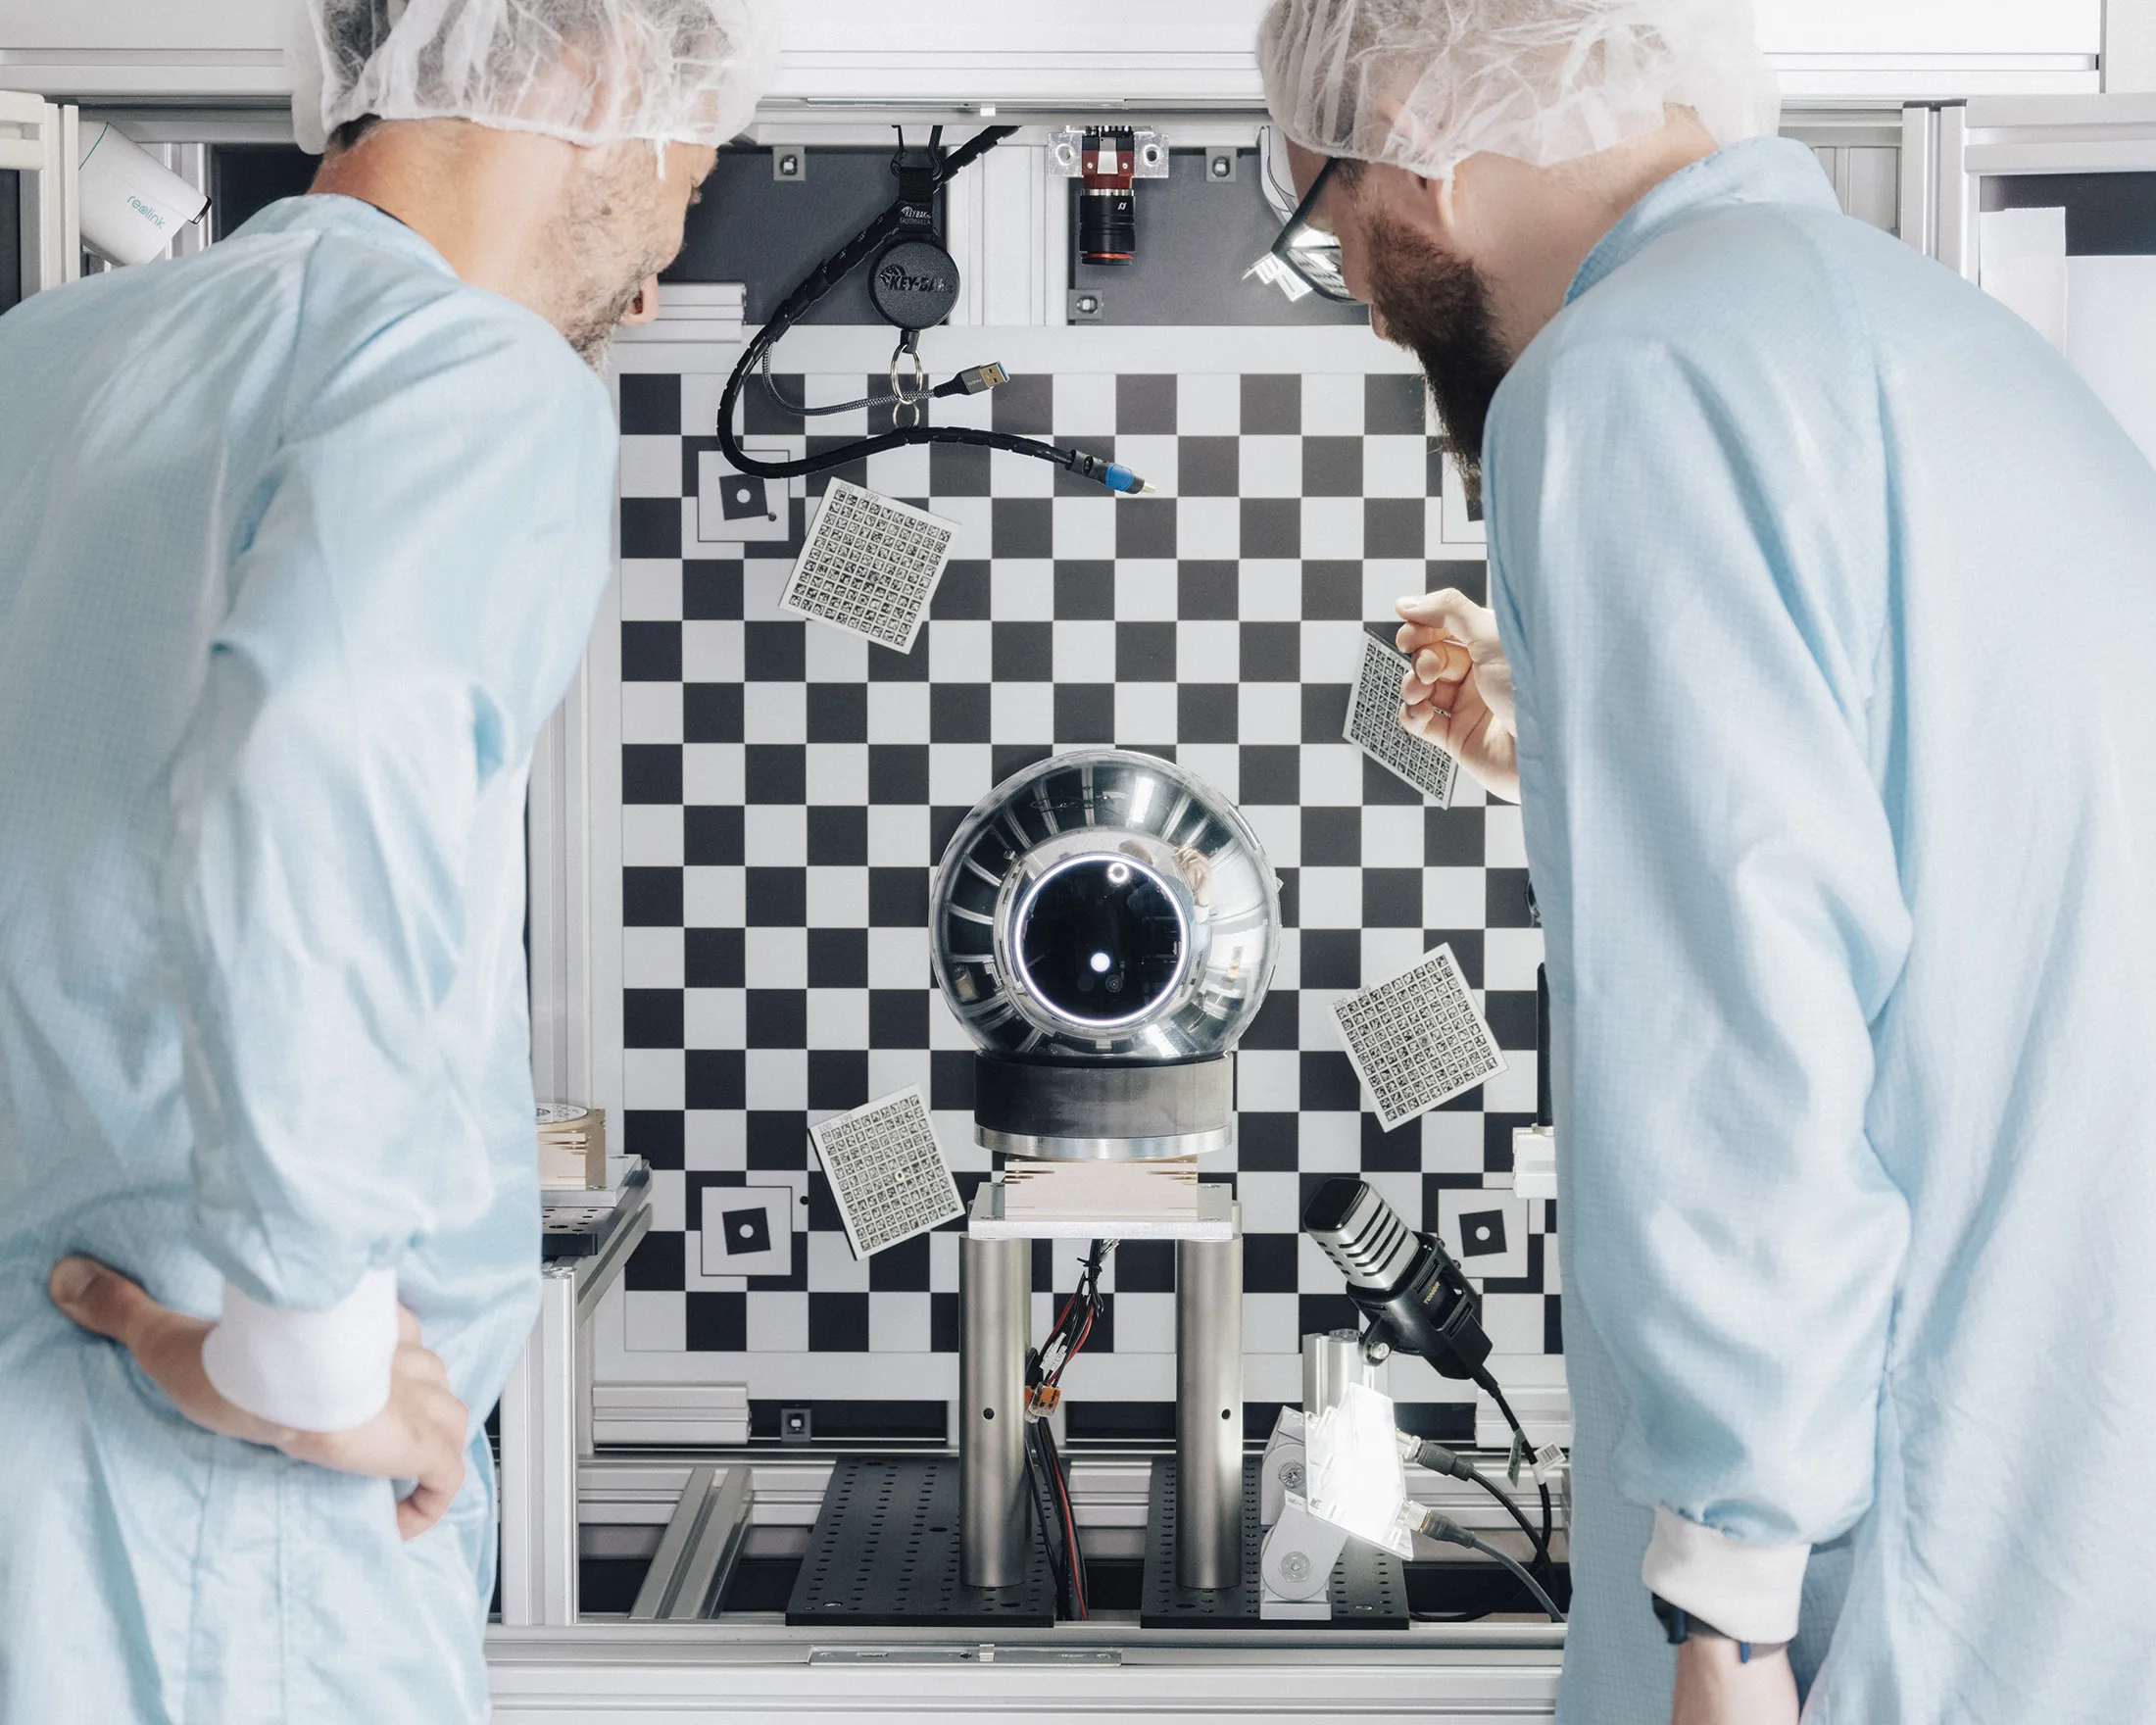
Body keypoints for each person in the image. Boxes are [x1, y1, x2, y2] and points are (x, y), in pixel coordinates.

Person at [1257, 1, 2156, 1721]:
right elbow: (1918, 861)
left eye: (1328, 234)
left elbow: (1733, 1036)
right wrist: (1588, 745)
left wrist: (1726, 1610)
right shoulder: (1933, 340)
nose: (1365, 298)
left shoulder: (1628, 375)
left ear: (1413, 141)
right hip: (2083, 1545)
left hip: (1873, 1591)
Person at [0, 1, 771, 1716]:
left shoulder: (44, 363)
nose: (652, 280)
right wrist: (311, 1354)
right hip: (230, 1503)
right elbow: (313, 767)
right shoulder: (463, 367)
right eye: (686, 178)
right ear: (581, 70)